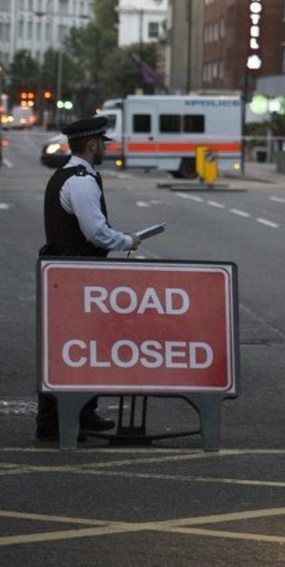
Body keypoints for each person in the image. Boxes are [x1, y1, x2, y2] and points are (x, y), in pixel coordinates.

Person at [36, 116, 142, 441]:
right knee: (74, 346)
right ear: (92, 144)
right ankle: (56, 422)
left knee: (80, 346)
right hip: (75, 274)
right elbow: (95, 233)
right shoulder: (81, 181)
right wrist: (127, 241)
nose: (105, 148)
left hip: (70, 273)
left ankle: (81, 414)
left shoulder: (69, 175)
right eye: (102, 142)